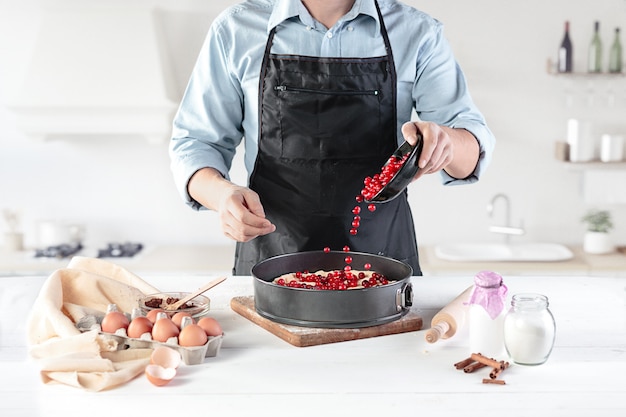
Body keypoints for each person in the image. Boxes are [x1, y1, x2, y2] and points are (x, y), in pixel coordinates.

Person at [169, 0, 495, 276]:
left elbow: (468, 149)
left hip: (383, 267)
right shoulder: (236, 29)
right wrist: (221, 195)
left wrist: (447, 142)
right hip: (272, 264)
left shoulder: (417, 33)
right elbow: (196, 142)